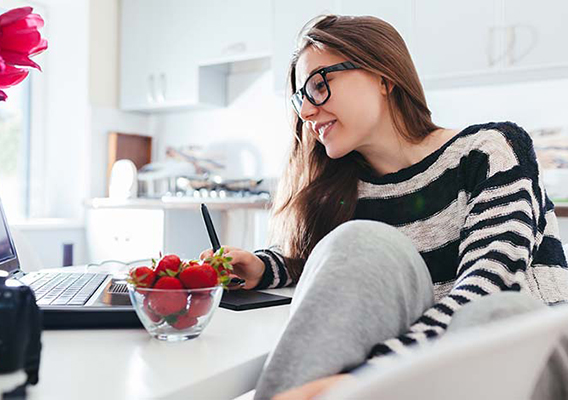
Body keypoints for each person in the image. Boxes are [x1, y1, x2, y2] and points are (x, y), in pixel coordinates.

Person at [199, 14, 568, 400]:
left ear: (383, 76)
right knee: (361, 243)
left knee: (496, 318)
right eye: (300, 98)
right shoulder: (346, 194)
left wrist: (368, 377)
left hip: (530, 367)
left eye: (319, 85)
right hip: (426, 382)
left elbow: (490, 284)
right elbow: (318, 263)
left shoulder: (489, 150)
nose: (306, 112)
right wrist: (264, 268)